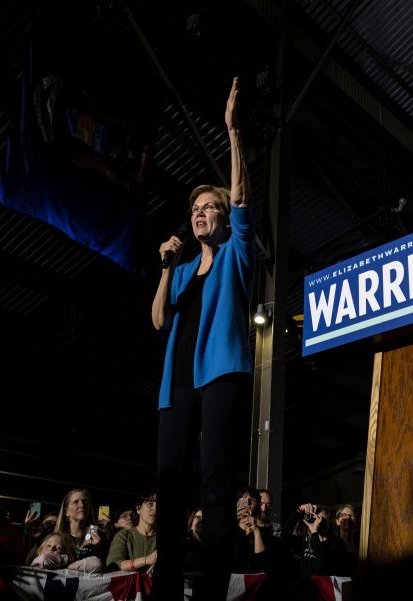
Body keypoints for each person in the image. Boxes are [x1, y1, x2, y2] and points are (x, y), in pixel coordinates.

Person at [152, 76, 254, 601]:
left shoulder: (237, 251)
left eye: (208, 207)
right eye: (195, 210)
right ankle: (167, 586)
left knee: (215, 478)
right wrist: (167, 269)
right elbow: (159, 322)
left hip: (221, 373)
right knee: (169, 484)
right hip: (179, 385)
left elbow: (240, 197)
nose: (200, 213)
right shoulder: (185, 266)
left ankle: (215, 588)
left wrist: (232, 131)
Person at [106, 492, 157, 573]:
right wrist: (147, 560)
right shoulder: (124, 535)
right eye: (150, 504)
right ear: (138, 509)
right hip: (130, 585)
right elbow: (114, 564)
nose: (155, 509)